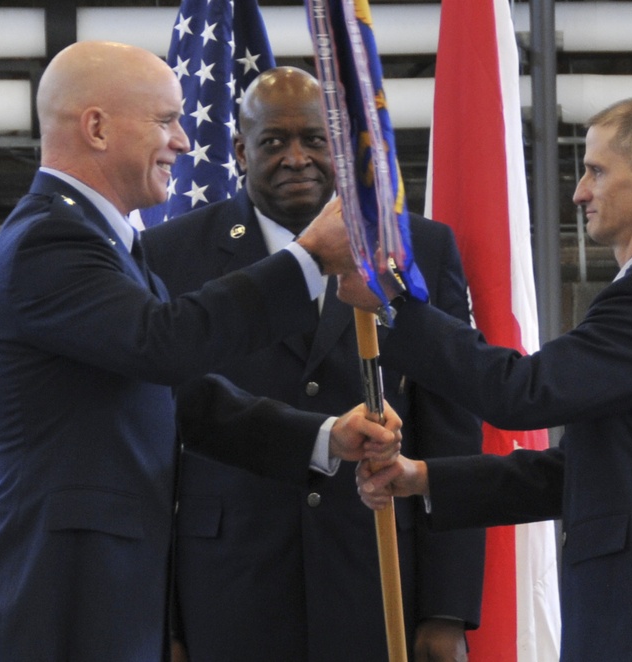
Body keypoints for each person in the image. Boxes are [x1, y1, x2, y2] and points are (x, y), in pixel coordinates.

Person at [0, 42, 400, 662]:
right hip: (50, 596)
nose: (183, 141)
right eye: (165, 120)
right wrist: (309, 258)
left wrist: (322, 438)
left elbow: (186, 399)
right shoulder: (51, 240)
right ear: (97, 127)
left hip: (95, 593)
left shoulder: (105, 243)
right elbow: (166, 344)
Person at [345, 98, 632, 661]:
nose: (579, 192)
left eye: (595, 170)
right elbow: (578, 472)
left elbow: (522, 392)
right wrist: (422, 477)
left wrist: (395, 302)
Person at [143, 67, 484, 662]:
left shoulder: (417, 248)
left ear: (344, 147)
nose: (296, 158)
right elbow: (157, 446)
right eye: (274, 142)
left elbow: (451, 427)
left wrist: (447, 609)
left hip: (376, 581)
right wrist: (163, 622)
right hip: (226, 592)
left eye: (315, 139)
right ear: (241, 151)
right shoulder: (171, 254)